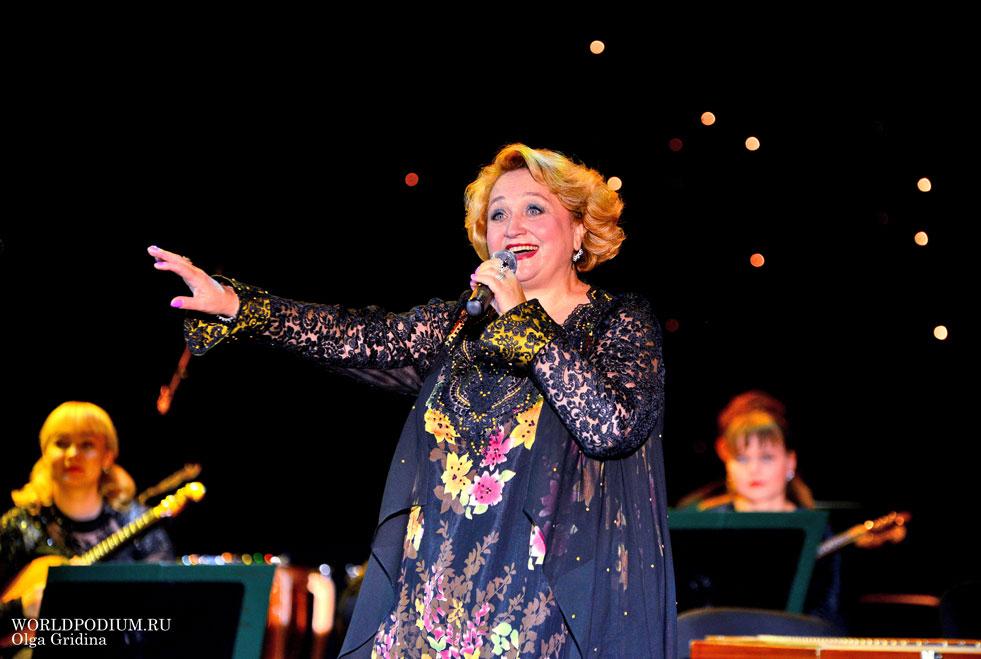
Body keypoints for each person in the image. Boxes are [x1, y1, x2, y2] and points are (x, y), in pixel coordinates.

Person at [149, 143, 675, 658]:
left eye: (534, 209)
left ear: (580, 228)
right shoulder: (460, 324)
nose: (513, 228)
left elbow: (612, 427)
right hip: (429, 601)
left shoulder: (616, 322)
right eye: (498, 215)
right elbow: (356, 336)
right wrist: (239, 306)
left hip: (538, 607)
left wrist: (523, 322)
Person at [0, 402, 175, 638]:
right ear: (44, 453)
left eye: (87, 444)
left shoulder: (139, 524)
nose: (73, 454)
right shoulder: (19, 527)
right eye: (62, 443)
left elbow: (166, 612)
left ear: (107, 456)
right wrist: (22, 608)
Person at [688, 390, 841, 627]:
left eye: (766, 457)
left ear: (790, 462)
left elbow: (826, 615)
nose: (754, 469)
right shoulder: (703, 525)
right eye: (742, 458)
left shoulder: (815, 530)